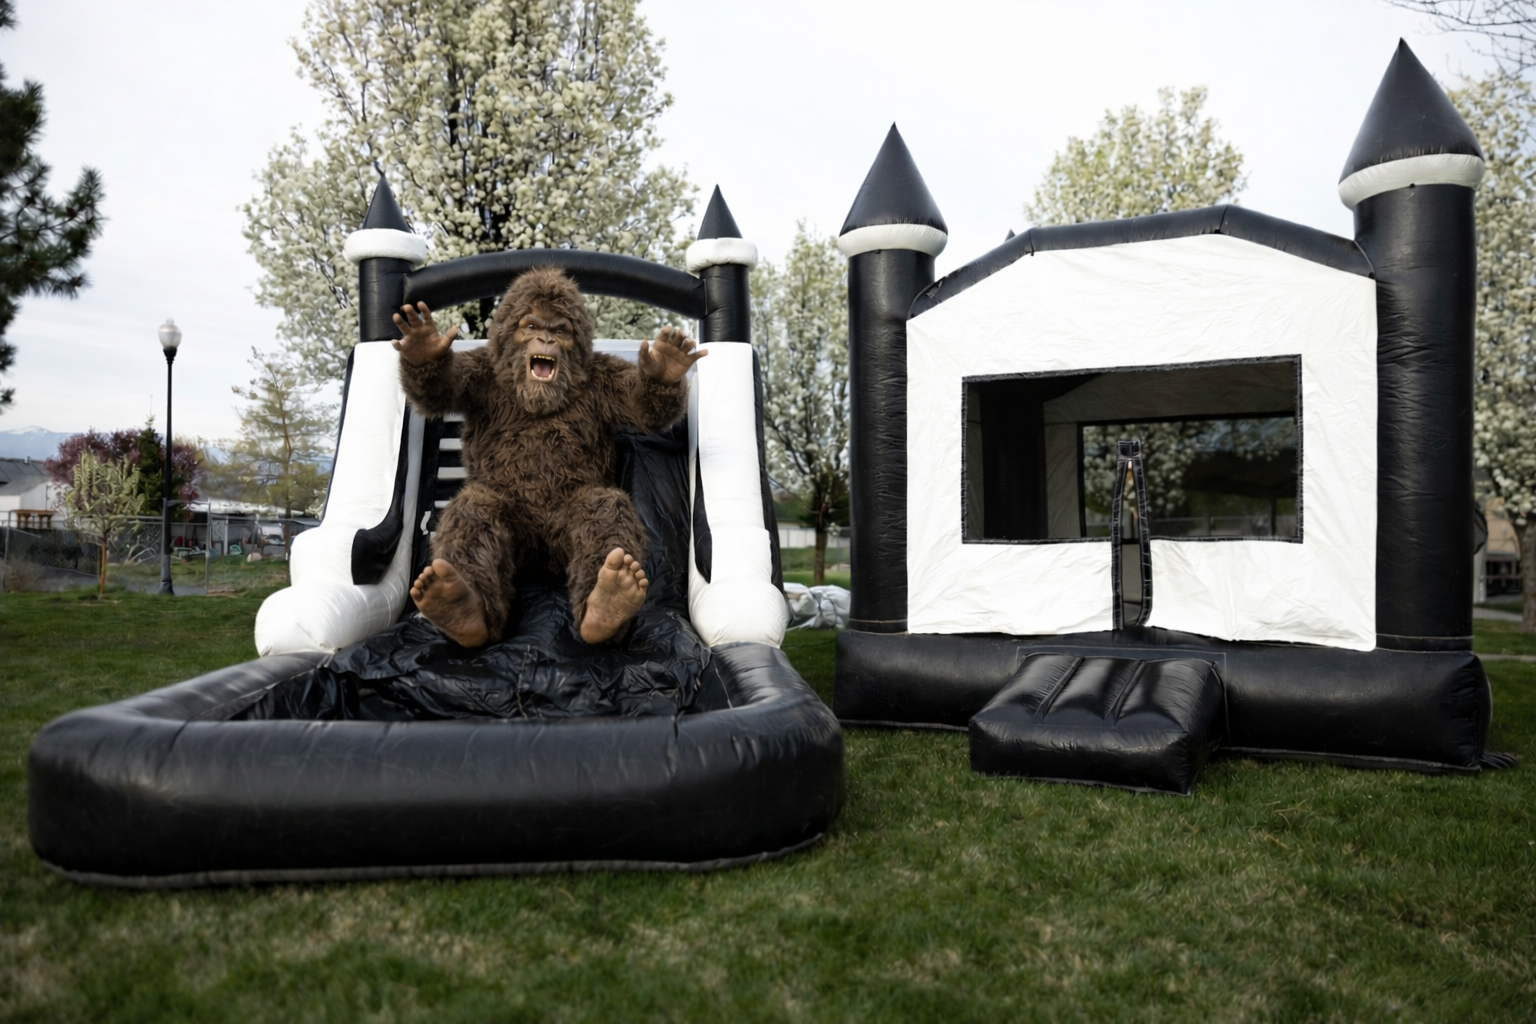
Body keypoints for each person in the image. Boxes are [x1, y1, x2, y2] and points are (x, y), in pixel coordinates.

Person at [393, 267, 705, 647]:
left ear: (579, 344)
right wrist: (425, 365)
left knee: (608, 506)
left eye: (560, 331)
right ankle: (470, 606)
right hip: (503, 521)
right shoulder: (485, 370)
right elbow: (437, 396)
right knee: (469, 511)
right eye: (531, 327)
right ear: (508, 337)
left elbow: (649, 413)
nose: (545, 338)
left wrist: (661, 382)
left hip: (574, 519)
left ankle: (601, 607)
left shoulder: (598, 376)